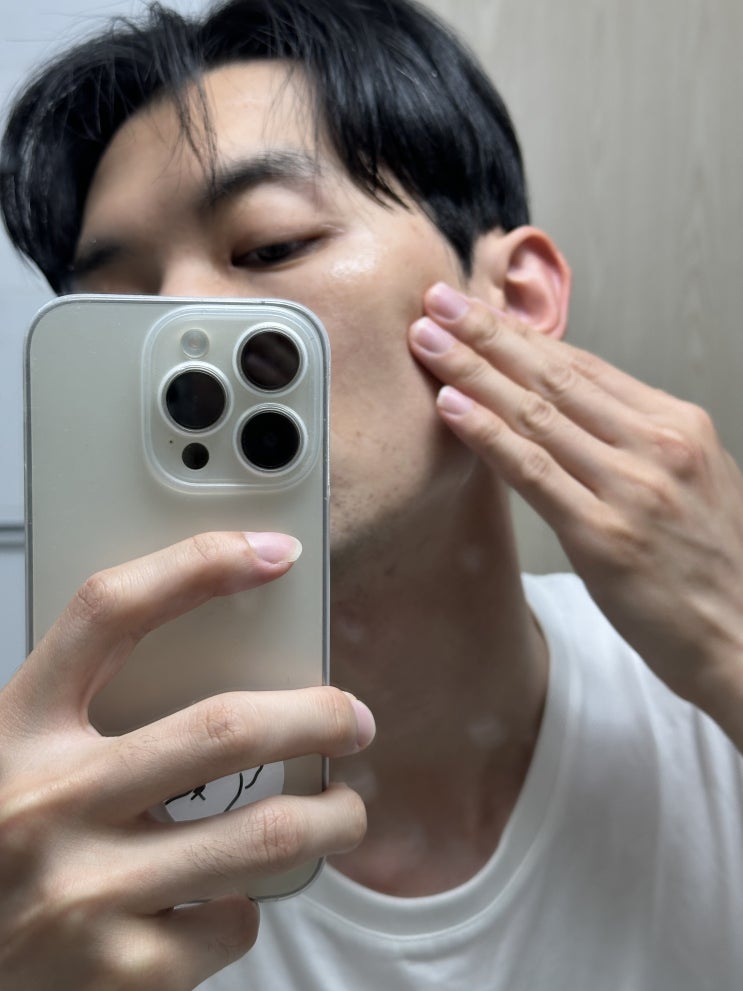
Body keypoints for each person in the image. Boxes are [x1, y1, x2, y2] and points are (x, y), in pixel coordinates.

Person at [2, 0, 743, 987]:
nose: (171, 336)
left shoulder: (703, 697)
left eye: (270, 246)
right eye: (115, 307)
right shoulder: (46, 832)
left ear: (514, 300)